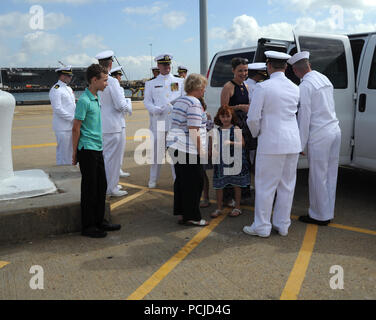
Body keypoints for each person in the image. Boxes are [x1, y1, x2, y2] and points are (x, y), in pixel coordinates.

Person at [244, 51, 301, 238]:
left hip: (271, 142)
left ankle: (262, 226)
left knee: (265, 186)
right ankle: (282, 224)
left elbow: (253, 118)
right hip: (292, 141)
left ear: (268, 66)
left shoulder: (263, 87)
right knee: (287, 185)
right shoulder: (295, 87)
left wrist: (258, 133)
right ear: (285, 67)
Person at [288, 51, 341, 226]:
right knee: (330, 174)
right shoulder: (324, 78)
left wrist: (300, 143)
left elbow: (304, 117)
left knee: (318, 175)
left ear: (295, 70)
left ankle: (319, 215)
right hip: (334, 130)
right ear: (308, 64)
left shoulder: (305, 86)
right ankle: (328, 211)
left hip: (320, 134)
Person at [72, 64, 121, 238]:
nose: (107, 83)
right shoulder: (84, 101)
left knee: (101, 186)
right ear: (95, 80)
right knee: (89, 189)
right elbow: (76, 128)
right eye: (105, 80)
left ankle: (100, 221)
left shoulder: (96, 97)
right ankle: (89, 226)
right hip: (87, 150)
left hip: (97, 148)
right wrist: (74, 153)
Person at [167, 73, 209, 226]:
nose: (204, 91)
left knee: (182, 181)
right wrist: (201, 151)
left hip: (176, 146)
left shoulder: (180, 100)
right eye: (203, 87)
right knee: (194, 182)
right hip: (188, 149)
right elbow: (193, 130)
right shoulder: (194, 103)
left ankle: (182, 213)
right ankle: (192, 217)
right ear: (197, 88)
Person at [144, 54, 184, 189]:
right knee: (156, 153)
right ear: (158, 66)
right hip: (159, 121)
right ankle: (153, 179)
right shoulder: (151, 83)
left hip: (174, 122)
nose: (167, 67)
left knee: (175, 153)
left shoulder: (179, 81)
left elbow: (183, 99)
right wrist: (155, 109)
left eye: (168, 64)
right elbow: (147, 101)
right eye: (164, 65)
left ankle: (177, 179)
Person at [95, 51, 132, 198]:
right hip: (115, 125)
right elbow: (120, 105)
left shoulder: (96, 79)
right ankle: (112, 187)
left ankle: (108, 185)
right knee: (114, 159)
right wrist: (129, 106)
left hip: (103, 124)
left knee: (106, 158)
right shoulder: (112, 81)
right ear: (111, 64)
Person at [220, 57, 252, 206]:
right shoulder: (228, 87)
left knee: (243, 161)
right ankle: (229, 196)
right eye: (240, 70)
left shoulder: (246, 85)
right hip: (232, 128)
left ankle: (243, 193)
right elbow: (224, 109)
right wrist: (239, 106)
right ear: (233, 71)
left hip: (243, 127)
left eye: (245, 70)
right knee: (232, 162)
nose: (244, 73)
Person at [211, 106, 250, 218]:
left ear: (232, 116)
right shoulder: (217, 131)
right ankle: (219, 208)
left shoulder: (236, 128)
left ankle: (237, 207)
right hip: (221, 162)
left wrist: (231, 143)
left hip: (234, 161)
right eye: (223, 116)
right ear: (219, 117)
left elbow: (242, 143)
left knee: (236, 184)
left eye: (228, 116)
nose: (226, 119)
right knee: (219, 185)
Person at [49, 66, 76, 165]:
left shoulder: (68, 88)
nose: (71, 78)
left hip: (71, 126)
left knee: (70, 151)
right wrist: (72, 119)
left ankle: (69, 169)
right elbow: (57, 109)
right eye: (69, 76)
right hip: (62, 127)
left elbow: (72, 105)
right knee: (63, 152)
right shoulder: (56, 89)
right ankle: (62, 171)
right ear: (63, 76)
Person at [244, 62, 268, 175]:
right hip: (253, 125)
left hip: (246, 123)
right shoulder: (255, 87)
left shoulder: (244, 84)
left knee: (249, 154)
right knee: (253, 155)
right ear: (258, 74)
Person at [110, 65, 131, 179]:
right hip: (116, 122)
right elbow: (119, 105)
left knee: (120, 149)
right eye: (119, 75)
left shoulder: (117, 87)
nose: (120, 78)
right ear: (115, 76)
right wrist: (128, 107)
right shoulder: (116, 87)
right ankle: (115, 172)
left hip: (119, 121)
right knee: (115, 150)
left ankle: (118, 169)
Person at [199, 97, 214, 208]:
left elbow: (210, 134)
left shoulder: (207, 116)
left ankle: (206, 197)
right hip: (192, 148)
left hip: (203, 147)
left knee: (203, 174)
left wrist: (209, 149)